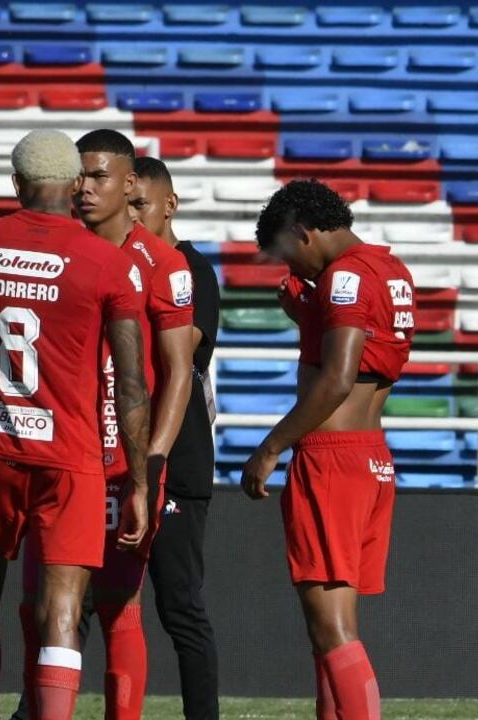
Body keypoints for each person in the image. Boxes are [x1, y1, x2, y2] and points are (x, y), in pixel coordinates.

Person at [0, 129, 151, 720]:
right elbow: (131, 386)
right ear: (76, 184)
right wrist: (137, 482)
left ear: (15, 185)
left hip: (1, 445)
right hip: (73, 457)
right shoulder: (107, 262)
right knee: (62, 605)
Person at [241, 179, 417, 720]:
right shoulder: (390, 271)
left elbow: (338, 379)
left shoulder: (344, 278)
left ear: (304, 231)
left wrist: (270, 447)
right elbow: (369, 360)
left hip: (331, 459)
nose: (291, 270)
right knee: (334, 627)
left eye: (289, 254)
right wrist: (307, 316)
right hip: (370, 456)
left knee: (330, 628)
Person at [129, 156, 221, 719]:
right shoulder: (125, 267)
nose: (132, 216)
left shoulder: (191, 270)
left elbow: (176, 355)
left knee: (179, 605)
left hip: (176, 460)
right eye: (127, 204)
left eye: (141, 204)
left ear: (170, 204)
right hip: (118, 454)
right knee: (83, 599)